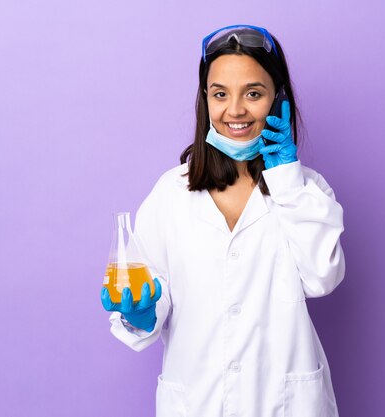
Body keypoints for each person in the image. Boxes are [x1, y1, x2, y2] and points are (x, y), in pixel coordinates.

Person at [101, 24, 346, 417]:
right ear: (205, 100)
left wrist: (285, 177)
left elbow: (323, 277)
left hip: (285, 403)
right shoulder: (171, 193)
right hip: (198, 401)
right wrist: (142, 311)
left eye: (253, 93)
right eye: (220, 94)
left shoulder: (306, 191)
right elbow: (150, 287)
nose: (235, 110)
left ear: (278, 100)